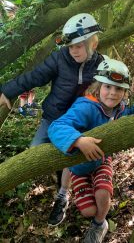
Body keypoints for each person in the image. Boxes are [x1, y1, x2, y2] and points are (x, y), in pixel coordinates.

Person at [0, 13, 104, 226]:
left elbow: (110, 91)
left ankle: (63, 194)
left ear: (93, 43)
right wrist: (7, 91)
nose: (73, 50)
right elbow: (35, 76)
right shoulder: (60, 58)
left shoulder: (101, 65)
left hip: (79, 121)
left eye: (79, 45)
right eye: (70, 46)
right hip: (54, 118)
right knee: (34, 153)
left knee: (71, 155)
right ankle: (64, 173)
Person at [48, 58, 134, 243]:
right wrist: (78, 140)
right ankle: (63, 194)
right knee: (88, 210)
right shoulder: (85, 107)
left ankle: (99, 224)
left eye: (118, 89)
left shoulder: (119, 108)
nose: (112, 93)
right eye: (107, 87)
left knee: (102, 194)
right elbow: (56, 127)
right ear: (98, 87)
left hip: (101, 160)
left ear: (125, 92)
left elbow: (126, 117)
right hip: (78, 166)